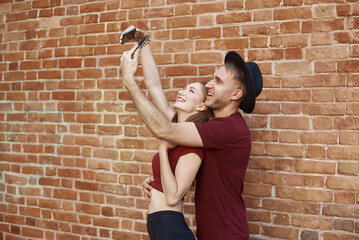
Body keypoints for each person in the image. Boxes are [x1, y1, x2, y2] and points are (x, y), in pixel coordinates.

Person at [120, 27, 263, 240]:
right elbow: (155, 89)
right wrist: (143, 44)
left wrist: (129, 82)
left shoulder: (230, 129)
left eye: (219, 81)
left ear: (236, 94)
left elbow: (164, 131)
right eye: (213, 78)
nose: (210, 84)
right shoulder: (206, 128)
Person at [120, 27, 214, 240]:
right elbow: (153, 86)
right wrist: (143, 43)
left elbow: (173, 197)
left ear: (201, 108)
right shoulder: (174, 127)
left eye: (191, 91)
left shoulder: (193, 147)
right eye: (184, 88)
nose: (182, 91)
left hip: (171, 229)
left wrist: (163, 149)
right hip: (159, 227)